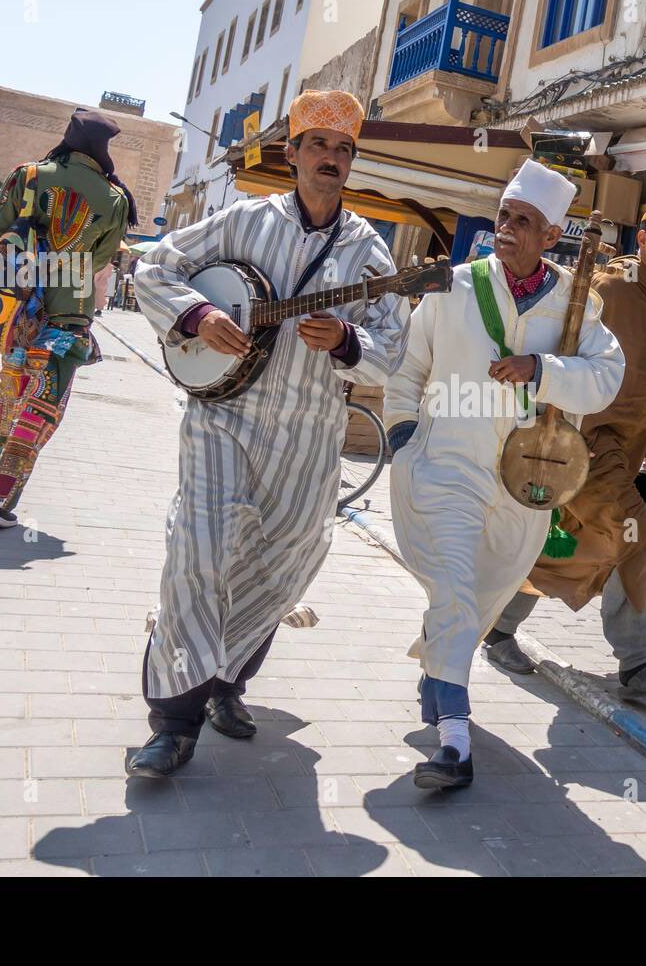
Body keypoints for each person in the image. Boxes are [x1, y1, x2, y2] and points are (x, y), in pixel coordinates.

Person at [125, 90, 411, 778]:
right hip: (225, 418)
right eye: (320, 146)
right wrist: (196, 317)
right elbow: (153, 266)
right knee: (202, 552)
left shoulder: (369, 250)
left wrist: (347, 340)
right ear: (293, 155)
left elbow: (394, 348)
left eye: (344, 150)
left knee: (281, 566)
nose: (332, 160)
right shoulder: (242, 222)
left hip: (312, 436)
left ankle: (227, 683)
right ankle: (174, 722)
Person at [383, 158, 625, 789]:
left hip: (527, 481)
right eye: (504, 217)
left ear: (551, 236)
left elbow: (606, 378)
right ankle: (455, 744)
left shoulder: (578, 304)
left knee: (483, 589)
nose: (508, 229)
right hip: (447, 464)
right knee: (459, 586)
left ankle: (441, 666)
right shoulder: (453, 286)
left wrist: (542, 369)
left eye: (525, 221)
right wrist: (406, 438)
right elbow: (408, 371)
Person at [484, 199, 646, 699]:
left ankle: (496, 626)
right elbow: (563, 350)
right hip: (588, 446)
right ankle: (635, 662)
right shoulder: (608, 291)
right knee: (636, 533)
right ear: (642, 241)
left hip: (630, 450)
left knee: (578, 542)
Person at [0, 107, 135, 529]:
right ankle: (1, 497)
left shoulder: (27, 175)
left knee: (11, 391)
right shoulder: (115, 199)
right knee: (41, 402)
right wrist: (66, 262)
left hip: (15, 306)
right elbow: (98, 260)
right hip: (69, 312)